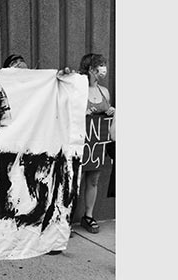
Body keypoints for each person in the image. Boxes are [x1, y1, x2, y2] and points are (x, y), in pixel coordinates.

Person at [76, 53, 115, 234]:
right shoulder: (78, 90)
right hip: (80, 143)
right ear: (91, 69)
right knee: (74, 181)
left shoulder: (104, 91)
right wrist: (82, 112)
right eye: (100, 65)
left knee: (94, 180)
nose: (103, 69)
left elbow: (107, 115)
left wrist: (110, 111)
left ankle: (88, 215)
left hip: (97, 145)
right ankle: (66, 218)